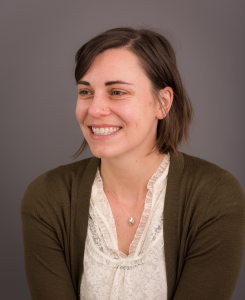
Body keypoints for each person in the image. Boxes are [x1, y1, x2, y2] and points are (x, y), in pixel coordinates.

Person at [21, 27, 245, 300]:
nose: (94, 109)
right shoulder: (47, 196)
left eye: (116, 92)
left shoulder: (216, 195)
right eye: (85, 91)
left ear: (163, 103)